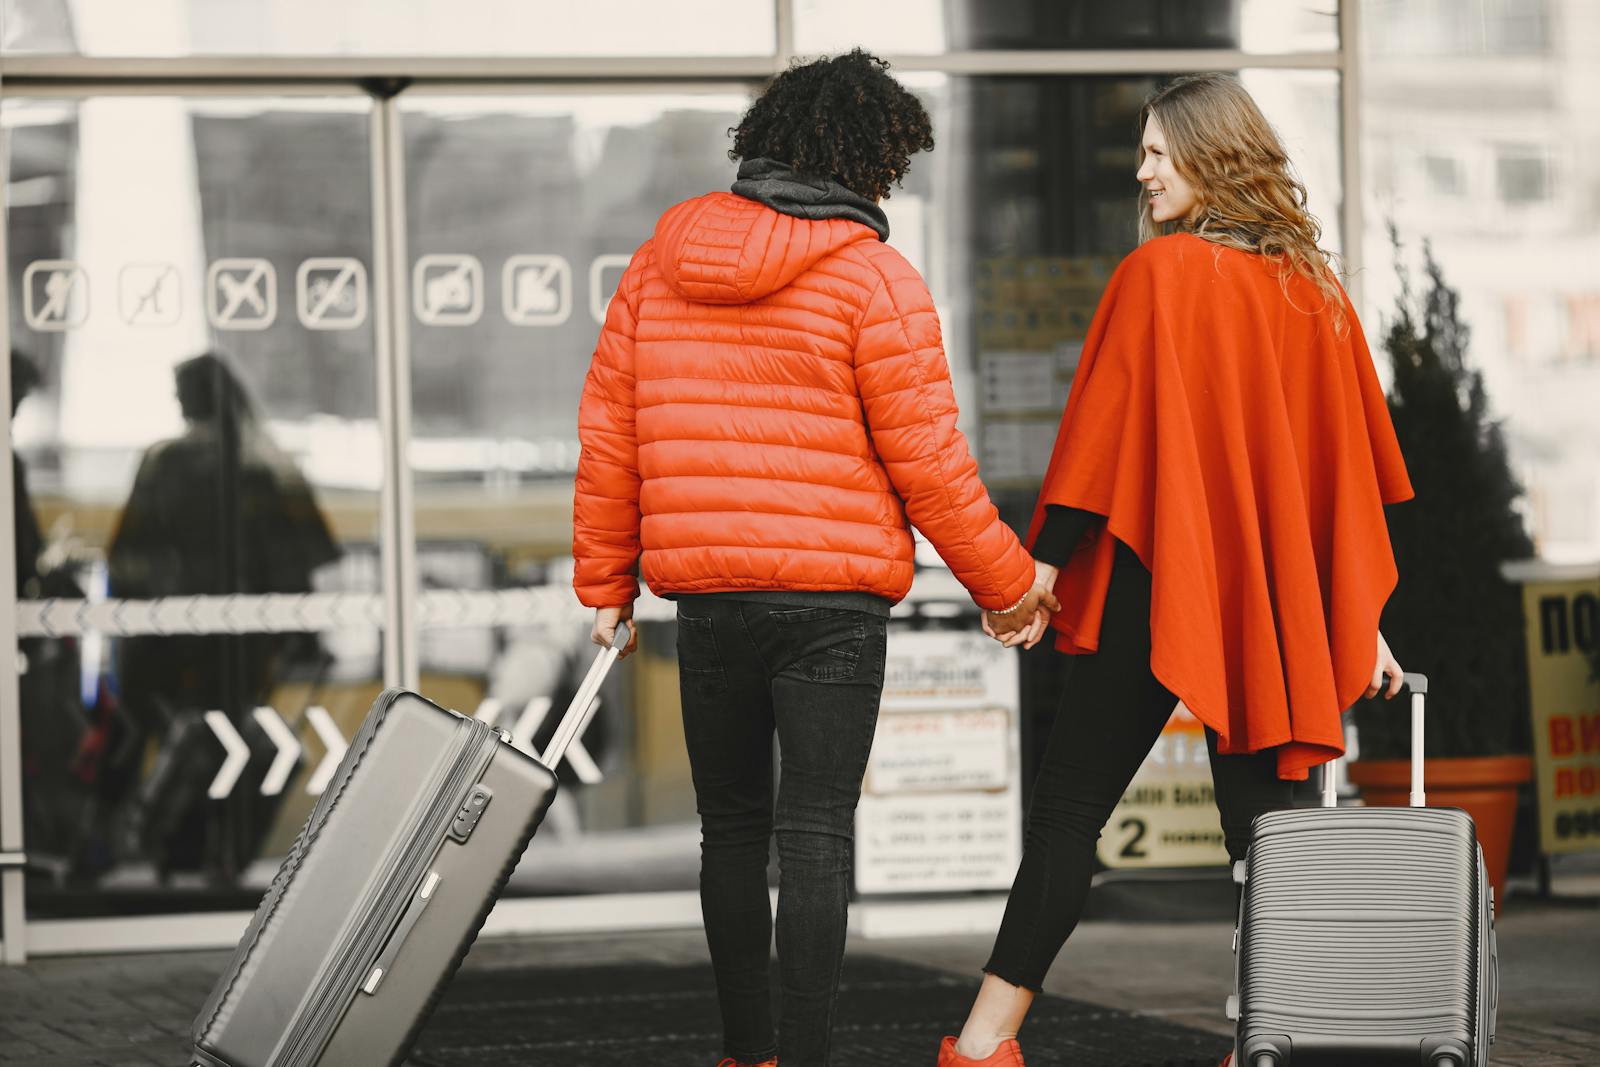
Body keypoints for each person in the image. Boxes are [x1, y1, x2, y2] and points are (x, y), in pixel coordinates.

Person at [572, 49, 1057, 1067]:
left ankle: (746, 1052)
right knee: (817, 834)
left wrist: (604, 582)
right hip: (832, 602)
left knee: (732, 831)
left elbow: (610, 435)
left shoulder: (658, 266)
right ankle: (806, 1052)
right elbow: (928, 463)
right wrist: (1009, 588)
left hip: (710, 598)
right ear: (867, 160)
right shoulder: (873, 277)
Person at [938, 73, 1416, 1067]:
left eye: (1158, 152)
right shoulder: (1313, 291)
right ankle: (1281, 1039)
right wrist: (1354, 617)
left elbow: (1096, 444)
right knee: (1271, 830)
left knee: (1070, 810)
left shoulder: (1157, 275)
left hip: (1158, 582)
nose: (1142, 172)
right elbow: (1343, 487)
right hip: (1270, 601)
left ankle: (983, 1044)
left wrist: (1039, 568)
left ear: (1212, 153)